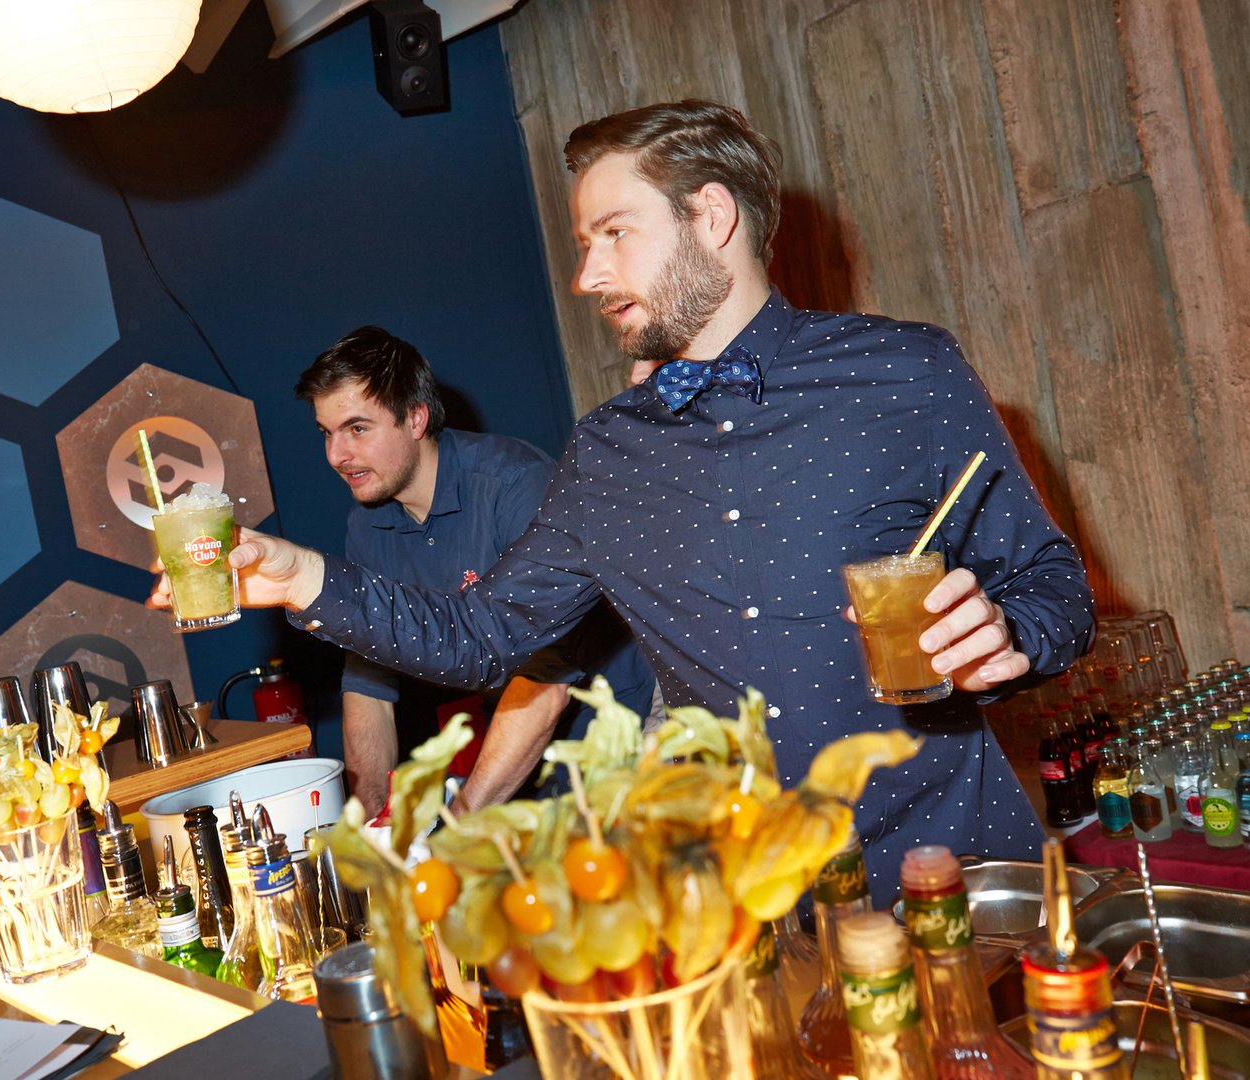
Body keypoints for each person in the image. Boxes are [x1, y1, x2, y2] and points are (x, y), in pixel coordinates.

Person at [157, 101, 1094, 905]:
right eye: (582, 245)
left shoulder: (906, 371)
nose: (586, 277)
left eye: (613, 234)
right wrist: (302, 577)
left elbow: (1055, 584)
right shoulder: (607, 452)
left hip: (950, 870)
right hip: (742, 912)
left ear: (711, 216)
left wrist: (1007, 635)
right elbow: (482, 636)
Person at [291, 326, 653, 816]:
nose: (336, 455)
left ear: (415, 418)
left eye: (357, 429)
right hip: (521, 744)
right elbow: (368, 683)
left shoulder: (514, 483)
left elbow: (544, 684)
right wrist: (371, 824)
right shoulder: (367, 525)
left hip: (625, 721)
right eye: (326, 432)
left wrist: (460, 824)